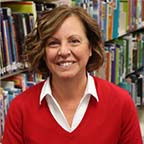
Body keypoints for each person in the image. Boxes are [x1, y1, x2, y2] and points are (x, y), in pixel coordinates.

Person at [2, 5, 143, 144]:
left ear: (90, 48)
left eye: (74, 41)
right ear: (43, 53)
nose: (63, 51)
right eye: (53, 43)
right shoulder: (20, 109)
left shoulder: (121, 103)